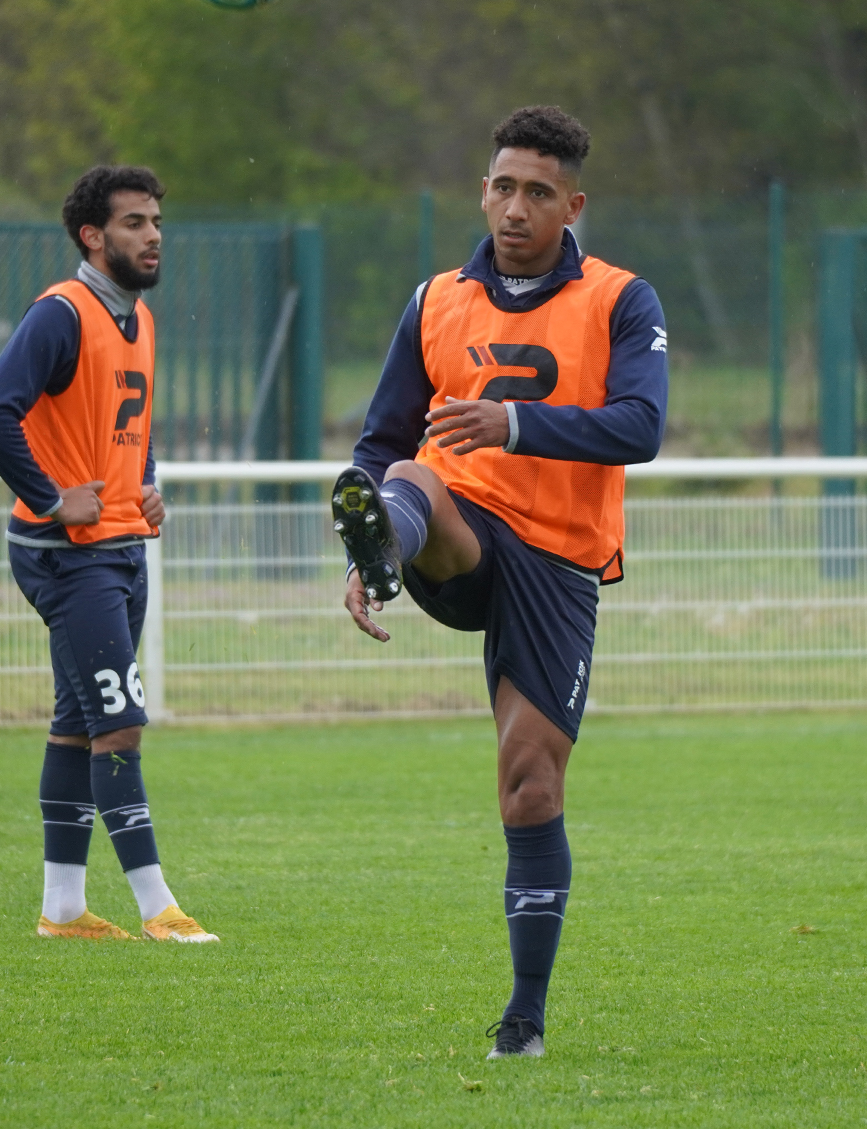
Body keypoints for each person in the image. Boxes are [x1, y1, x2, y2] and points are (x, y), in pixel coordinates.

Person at [335, 106, 668, 1057]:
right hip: (460, 535)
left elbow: (641, 428)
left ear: (572, 203)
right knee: (409, 479)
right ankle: (380, 552)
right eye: (501, 186)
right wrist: (366, 540)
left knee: (529, 790)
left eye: (536, 192)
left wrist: (516, 426)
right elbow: (380, 442)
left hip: (558, 563)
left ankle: (523, 1018)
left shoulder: (621, 300)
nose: (514, 207)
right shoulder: (436, 298)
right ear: (482, 190)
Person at [0, 164, 217, 944]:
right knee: (121, 724)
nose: (153, 236)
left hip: (118, 544)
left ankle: (64, 910)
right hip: (65, 553)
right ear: (93, 235)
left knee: (78, 721)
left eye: (156, 222)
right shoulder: (62, 313)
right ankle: (159, 909)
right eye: (136, 223)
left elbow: (123, 429)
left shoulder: (138, 320)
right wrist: (49, 496)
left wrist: (145, 485)